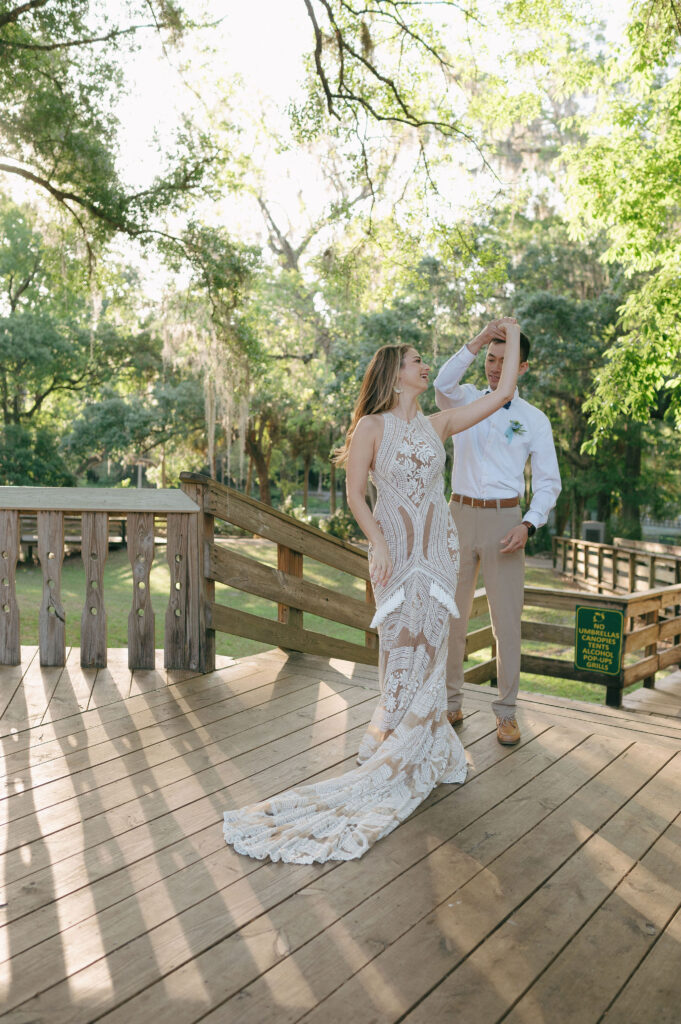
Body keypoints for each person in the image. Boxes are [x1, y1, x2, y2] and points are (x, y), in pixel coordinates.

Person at [222, 326, 521, 864]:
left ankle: (425, 743)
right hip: (398, 553)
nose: (425, 366)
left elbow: (502, 396)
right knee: (401, 645)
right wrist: (378, 545)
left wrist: (502, 335)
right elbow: (355, 494)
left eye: (424, 360)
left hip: (439, 552)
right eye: (415, 360)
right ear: (394, 373)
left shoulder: (439, 423)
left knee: (432, 646)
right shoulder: (371, 427)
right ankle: (397, 747)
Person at [434, 319, 561, 745]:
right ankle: (451, 703)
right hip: (457, 514)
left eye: (504, 361)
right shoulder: (464, 400)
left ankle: (506, 713)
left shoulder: (534, 420)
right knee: (450, 616)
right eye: (490, 358)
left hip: (507, 522)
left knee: (505, 623)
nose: (493, 367)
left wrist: (530, 523)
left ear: (521, 369)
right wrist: (477, 339)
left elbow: (547, 482)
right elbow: (441, 379)